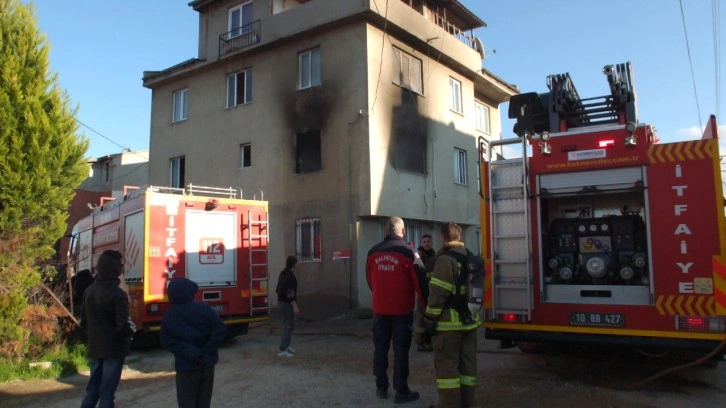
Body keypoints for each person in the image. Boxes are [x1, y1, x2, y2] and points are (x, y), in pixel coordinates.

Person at [366, 216, 427, 404]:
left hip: (380, 309)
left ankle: (381, 387)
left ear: (386, 231)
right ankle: (401, 390)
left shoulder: (372, 252)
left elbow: (370, 280)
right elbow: (421, 282)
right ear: (403, 231)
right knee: (400, 350)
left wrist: (380, 295)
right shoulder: (409, 253)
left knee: (380, 348)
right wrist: (427, 307)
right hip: (401, 310)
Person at [423, 222, 481, 408]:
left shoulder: (445, 260)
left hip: (449, 327)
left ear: (443, 238)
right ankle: (467, 404)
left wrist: (429, 320)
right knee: (467, 370)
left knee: (447, 372)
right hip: (470, 323)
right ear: (460, 237)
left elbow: (438, 294)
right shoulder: (471, 258)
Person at [80, 250, 136, 408]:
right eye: (121, 264)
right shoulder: (118, 294)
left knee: (92, 391)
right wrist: (131, 330)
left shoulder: (89, 291)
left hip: (94, 348)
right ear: (116, 268)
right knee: (107, 394)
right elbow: (123, 325)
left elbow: (83, 322)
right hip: (113, 350)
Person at [160, 277, 227, 408]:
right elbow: (220, 330)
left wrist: (191, 352)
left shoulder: (169, 314)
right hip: (207, 365)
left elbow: (166, 340)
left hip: (185, 367)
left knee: (186, 402)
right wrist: (207, 351)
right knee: (204, 402)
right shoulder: (204, 309)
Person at [414, 234, 437, 351]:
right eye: (424, 242)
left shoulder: (435, 257)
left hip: (433, 293)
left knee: (431, 318)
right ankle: (420, 342)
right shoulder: (418, 257)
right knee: (420, 318)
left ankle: (429, 342)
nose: (427, 244)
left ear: (431, 243)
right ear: (421, 243)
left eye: (428, 241)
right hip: (422, 292)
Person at [275, 255, 299, 358]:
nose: (299, 264)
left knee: (290, 324)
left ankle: (286, 346)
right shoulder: (291, 276)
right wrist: (295, 306)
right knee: (288, 325)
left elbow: (278, 288)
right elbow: (290, 293)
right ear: (294, 264)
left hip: (282, 302)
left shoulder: (283, 273)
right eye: (297, 263)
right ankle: (282, 349)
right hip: (286, 303)